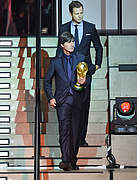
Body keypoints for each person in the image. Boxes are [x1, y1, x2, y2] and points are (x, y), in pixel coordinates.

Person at [44, 31, 94, 171]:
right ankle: (66, 160)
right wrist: (50, 98)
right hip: (62, 101)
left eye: (73, 42)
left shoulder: (80, 57)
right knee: (64, 131)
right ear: (62, 45)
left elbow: (88, 77)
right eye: (69, 42)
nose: (72, 44)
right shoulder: (55, 62)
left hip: (78, 100)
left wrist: (84, 82)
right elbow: (47, 81)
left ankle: (72, 159)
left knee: (76, 132)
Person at [57, 0, 103, 147]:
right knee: (69, 104)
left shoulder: (90, 27)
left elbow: (98, 47)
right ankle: (70, 137)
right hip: (69, 72)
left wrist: (96, 65)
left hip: (85, 71)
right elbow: (60, 50)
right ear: (71, 13)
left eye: (81, 12)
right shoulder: (64, 27)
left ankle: (81, 138)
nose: (80, 15)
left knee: (84, 105)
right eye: (76, 13)